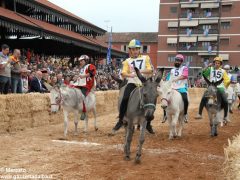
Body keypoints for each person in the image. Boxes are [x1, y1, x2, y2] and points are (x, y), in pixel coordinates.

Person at [112, 39, 155, 134]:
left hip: (144, 83)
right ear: (130, 50)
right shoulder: (127, 61)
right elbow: (123, 73)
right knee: (125, 98)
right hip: (132, 83)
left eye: (137, 49)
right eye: (133, 49)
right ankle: (120, 120)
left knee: (151, 100)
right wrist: (129, 75)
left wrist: (139, 72)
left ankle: (148, 123)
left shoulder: (146, 58)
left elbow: (150, 70)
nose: (135, 51)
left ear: (139, 50)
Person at [195, 56, 230, 121]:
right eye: (216, 63)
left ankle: (225, 116)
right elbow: (203, 73)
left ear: (220, 64)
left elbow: (227, 80)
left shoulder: (223, 71)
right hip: (211, 86)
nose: (217, 64)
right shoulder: (210, 69)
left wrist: (226, 85)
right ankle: (199, 114)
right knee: (203, 98)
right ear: (214, 63)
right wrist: (207, 66)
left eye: (218, 63)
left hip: (220, 87)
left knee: (225, 100)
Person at [162, 54, 189, 123]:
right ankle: (165, 114)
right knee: (165, 99)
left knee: (185, 99)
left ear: (181, 62)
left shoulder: (184, 68)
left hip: (181, 87)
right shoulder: (172, 70)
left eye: (179, 61)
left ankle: (185, 114)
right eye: (176, 60)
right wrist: (164, 79)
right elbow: (168, 79)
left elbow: (184, 76)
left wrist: (176, 79)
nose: (177, 62)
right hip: (172, 88)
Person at [76, 55, 96, 120]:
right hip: (80, 84)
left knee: (82, 96)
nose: (80, 62)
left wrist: (84, 76)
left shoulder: (90, 66)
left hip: (87, 85)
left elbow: (92, 73)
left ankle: (84, 112)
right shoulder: (82, 68)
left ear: (86, 61)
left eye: (82, 61)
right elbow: (81, 77)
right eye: (80, 61)